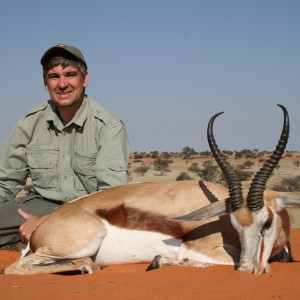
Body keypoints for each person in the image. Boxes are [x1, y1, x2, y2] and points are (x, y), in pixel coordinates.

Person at [0, 44, 131, 248]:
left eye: (70, 74)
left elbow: (112, 197)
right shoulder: (28, 123)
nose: (62, 84)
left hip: (88, 212)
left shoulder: (108, 127)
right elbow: (6, 183)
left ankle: (38, 241)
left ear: (85, 79)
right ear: (45, 82)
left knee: (104, 237)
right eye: (54, 76)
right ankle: (31, 242)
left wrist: (49, 221)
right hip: (38, 205)